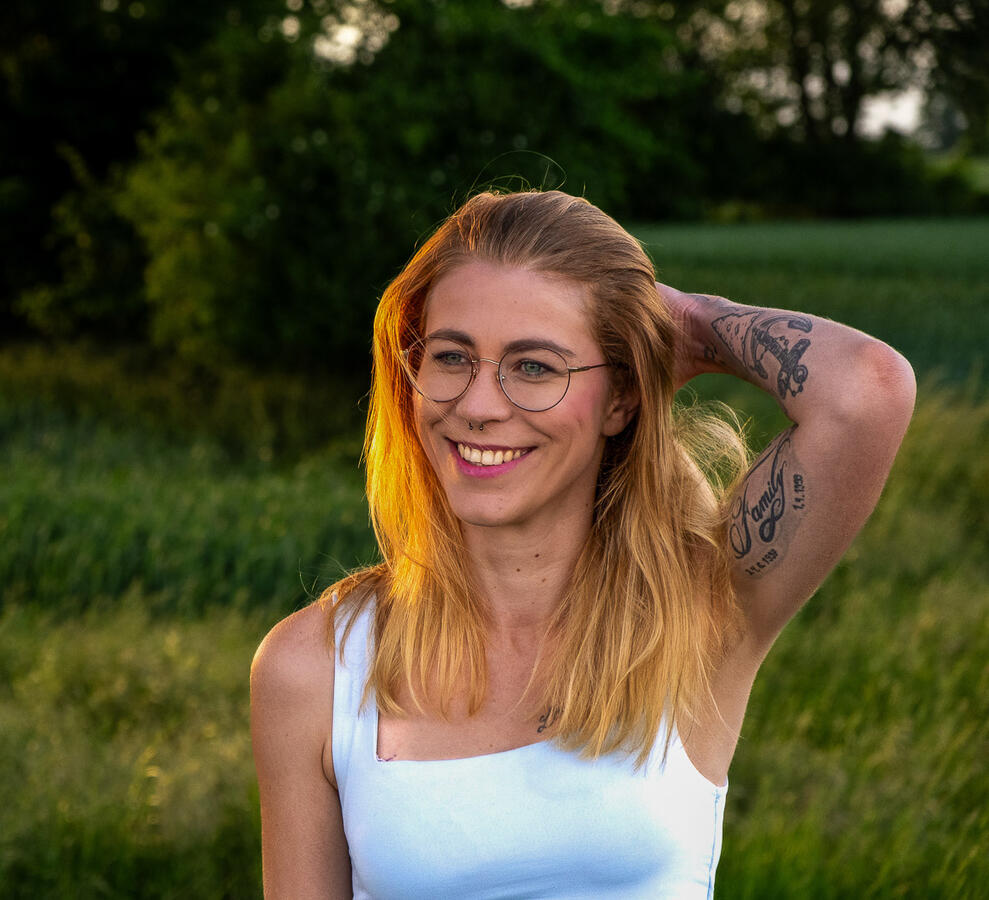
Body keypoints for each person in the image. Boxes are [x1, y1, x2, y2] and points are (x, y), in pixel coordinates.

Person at [249, 189, 916, 898]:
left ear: (621, 399)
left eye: (534, 366)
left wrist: (688, 321)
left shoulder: (702, 611)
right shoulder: (314, 670)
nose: (477, 405)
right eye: (450, 357)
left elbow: (866, 390)